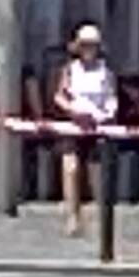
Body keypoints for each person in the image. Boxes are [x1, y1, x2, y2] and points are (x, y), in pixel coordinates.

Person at [52, 27, 120, 236]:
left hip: (98, 125)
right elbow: (59, 96)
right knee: (70, 168)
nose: (88, 49)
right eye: (84, 45)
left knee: (97, 173)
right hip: (75, 124)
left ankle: (102, 218)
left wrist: (108, 112)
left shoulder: (105, 71)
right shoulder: (70, 69)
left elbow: (112, 97)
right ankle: (73, 216)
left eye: (92, 45)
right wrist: (71, 110)